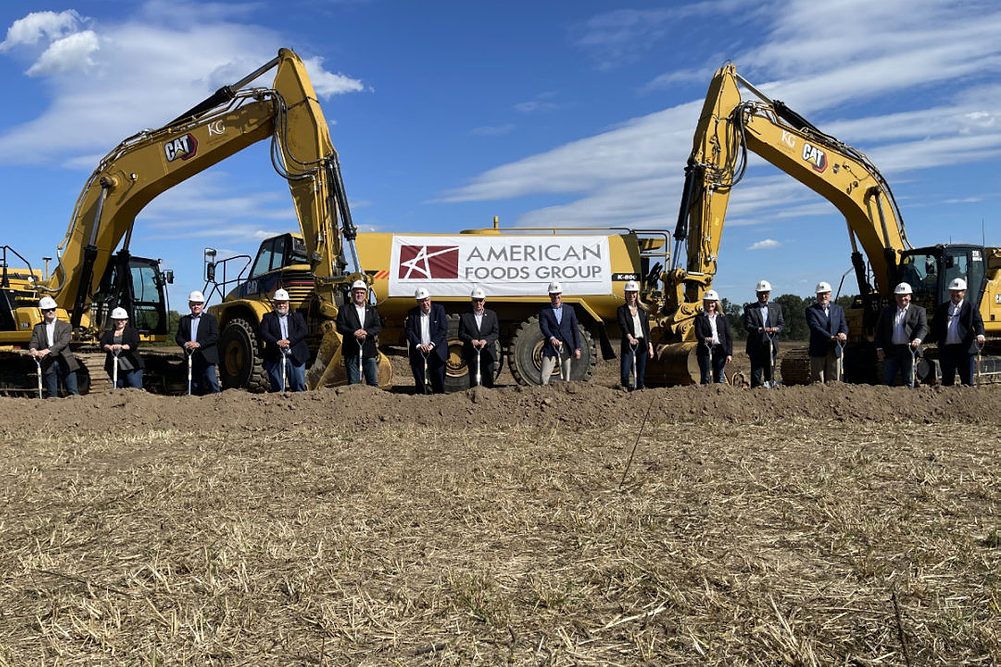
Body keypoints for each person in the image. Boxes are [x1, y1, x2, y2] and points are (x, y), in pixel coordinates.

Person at [932, 277, 985, 386]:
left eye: (958, 292)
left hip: (965, 350)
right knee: (947, 381)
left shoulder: (971, 307)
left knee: (967, 381)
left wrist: (980, 334)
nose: (955, 294)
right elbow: (935, 326)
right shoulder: (942, 308)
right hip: (947, 350)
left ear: (964, 292)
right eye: (953, 291)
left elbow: (978, 322)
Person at [874, 282, 928, 387]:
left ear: (910, 296)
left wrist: (918, 339)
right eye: (900, 296)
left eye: (905, 296)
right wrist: (879, 348)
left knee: (909, 380)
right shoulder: (887, 311)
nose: (902, 298)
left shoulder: (919, 311)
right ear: (895, 297)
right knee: (887, 380)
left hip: (909, 350)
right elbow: (879, 331)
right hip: (891, 351)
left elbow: (923, 327)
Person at [28, 296, 80, 397]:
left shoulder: (66, 326)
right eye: (48, 310)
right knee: (52, 395)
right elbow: (34, 341)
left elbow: (63, 343)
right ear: (42, 312)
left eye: (53, 309)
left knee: (73, 392)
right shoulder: (38, 327)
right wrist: (33, 349)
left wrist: (46, 350)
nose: (51, 311)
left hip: (65, 361)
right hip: (49, 363)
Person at [335, 279, 383, 386]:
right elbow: (340, 326)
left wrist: (366, 332)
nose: (359, 295)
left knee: (373, 382)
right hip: (351, 351)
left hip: (369, 351)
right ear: (352, 294)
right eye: (357, 292)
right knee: (354, 382)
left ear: (365, 294)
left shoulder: (371, 310)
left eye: (362, 293)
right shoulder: (345, 310)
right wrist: (354, 332)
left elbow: (377, 327)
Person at [260, 289, 308, 392]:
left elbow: (303, 331)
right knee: (277, 389)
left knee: (298, 387)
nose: (282, 305)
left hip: (296, 357)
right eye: (279, 303)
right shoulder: (268, 318)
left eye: (284, 303)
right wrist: (276, 342)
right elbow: (263, 333)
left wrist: (290, 341)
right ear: (274, 304)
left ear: (288, 303)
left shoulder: (297, 317)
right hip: (276, 357)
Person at [175, 290, 221, 394]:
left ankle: (217, 400)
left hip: (207, 356)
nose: (196, 306)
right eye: (193, 304)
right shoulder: (184, 320)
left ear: (203, 305)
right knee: (194, 383)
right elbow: (178, 337)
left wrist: (199, 344)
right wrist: (185, 344)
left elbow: (214, 336)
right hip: (192, 356)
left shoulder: (210, 319)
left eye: (198, 304)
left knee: (211, 380)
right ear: (189, 305)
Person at [742, 280, 785, 388]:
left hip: (771, 344)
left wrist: (776, 329)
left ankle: (769, 390)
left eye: (766, 293)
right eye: (761, 293)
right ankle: (756, 393)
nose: (764, 295)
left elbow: (781, 324)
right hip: (756, 345)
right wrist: (760, 329)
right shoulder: (750, 309)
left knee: (770, 372)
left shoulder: (776, 307)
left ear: (769, 294)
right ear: (757, 294)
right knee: (756, 374)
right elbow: (748, 325)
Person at [539, 281, 582, 385]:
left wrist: (577, 348)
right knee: (544, 376)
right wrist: (551, 338)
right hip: (550, 347)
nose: (556, 296)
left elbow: (575, 329)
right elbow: (543, 327)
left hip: (566, 346)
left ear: (561, 294)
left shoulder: (569, 310)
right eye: (553, 294)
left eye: (557, 294)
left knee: (566, 376)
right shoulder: (544, 311)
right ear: (549, 295)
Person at [405, 288, 447, 394]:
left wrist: (432, 344)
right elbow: (409, 331)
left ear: (430, 299)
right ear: (418, 302)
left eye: (427, 300)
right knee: (420, 383)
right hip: (419, 352)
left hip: (436, 351)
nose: (425, 303)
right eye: (422, 301)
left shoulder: (439, 310)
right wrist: (419, 345)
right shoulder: (412, 313)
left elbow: (443, 329)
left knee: (438, 381)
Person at [805, 281, 848, 383]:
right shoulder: (811, 310)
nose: (823, 296)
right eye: (821, 294)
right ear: (817, 295)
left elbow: (843, 324)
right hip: (818, 349)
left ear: (830, 295)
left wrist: (843, 333)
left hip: (835, 349)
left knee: (834, 379)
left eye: (826, 294)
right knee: (818, 380)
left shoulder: (838, 309)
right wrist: (831, 337)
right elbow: (815, 327)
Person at [458, 286, 500, 388]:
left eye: (480, 301)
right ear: (472, 302)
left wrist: (486, 341)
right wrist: (471, 340)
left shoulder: (491, 315)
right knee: (473, 379)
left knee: (488, 378)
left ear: (484, 301)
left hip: (487, 352)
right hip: (472, 353)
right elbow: (461, 334)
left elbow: (495, 333)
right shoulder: (465, 316)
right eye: (476, 301)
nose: (478, 303)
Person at [615, 280, 654, 390]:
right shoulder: (621, 310)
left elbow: (646, 329)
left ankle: (640, 389)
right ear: (625, 294)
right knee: (625, 372)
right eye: (629, 293)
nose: (631, 295)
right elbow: (623, 326)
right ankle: (625, 388)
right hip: (629, 344)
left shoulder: (642, 311)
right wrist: (630, 338)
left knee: (641, 372)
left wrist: (650, 346)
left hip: (642, 344)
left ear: (637, 294)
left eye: (633, 293)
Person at [694, 289, 732, 384]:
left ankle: (719, 396)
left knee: (719, 376)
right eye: (708, 302)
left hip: (720, 350)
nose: (710, 305)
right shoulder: (700, 318)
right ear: (704, 303)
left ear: (716, 303)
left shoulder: (722, 317)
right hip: (705, 350)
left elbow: (728, 336)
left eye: (712, 303)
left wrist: (729, 353)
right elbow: (698, 333)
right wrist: (705, 339)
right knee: (706, 375)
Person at [100, 307, 144, 389]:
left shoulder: (132, 332)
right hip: (115, 366)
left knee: (134, 386)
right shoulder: (108, 333)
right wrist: (108, 347)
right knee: (119, 387)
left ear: (126, 320)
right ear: (113, 321)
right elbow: (103, 344)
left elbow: (135, 343)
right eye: (117, 319)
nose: (120, 321)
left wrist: (123, 347)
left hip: (131, 365)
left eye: (122, 319)